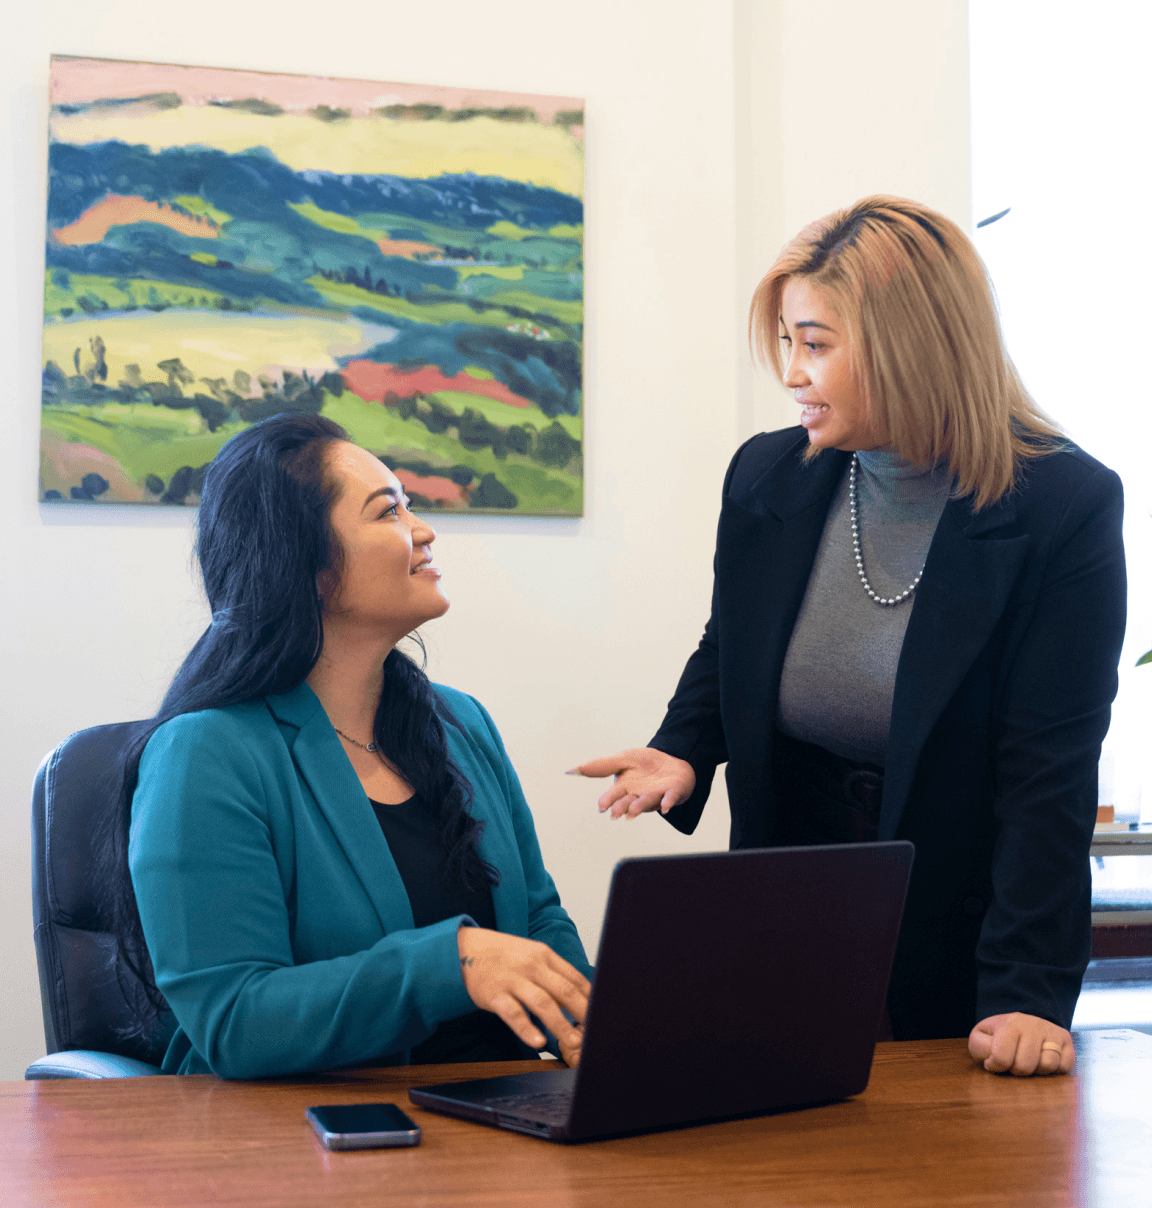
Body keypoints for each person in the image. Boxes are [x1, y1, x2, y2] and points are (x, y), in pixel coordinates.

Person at [573, 196, 1125, 1077]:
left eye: (816, 344)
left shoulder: (1063, 507)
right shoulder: (768, 472)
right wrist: (684, 748)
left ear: (913, 347)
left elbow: (1048, 780)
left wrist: (1026, 991)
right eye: (787, 342)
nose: (792, 372)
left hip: (955, 925)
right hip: (781, 904)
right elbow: (732, 641)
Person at [105, 413, 591, 1078]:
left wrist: (593, 1020)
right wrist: (453, 964)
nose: (423, 530)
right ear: (310, 568)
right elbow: (236, 1018)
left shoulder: (462, 723)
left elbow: (537, 917)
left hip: (500, 1117)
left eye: (410, 506)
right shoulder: (204, 754)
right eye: (388, 512)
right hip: (299, 1145)